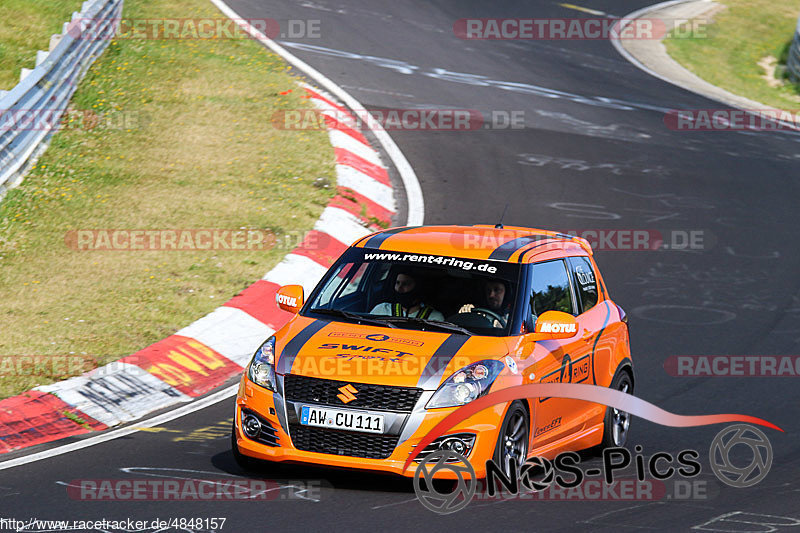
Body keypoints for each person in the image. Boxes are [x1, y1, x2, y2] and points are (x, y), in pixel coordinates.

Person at [370, 271, 444, 321]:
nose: (399, 288)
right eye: (397, 283)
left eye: (405, 284)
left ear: (417, 288)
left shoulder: (434, 318)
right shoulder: (381, 309)